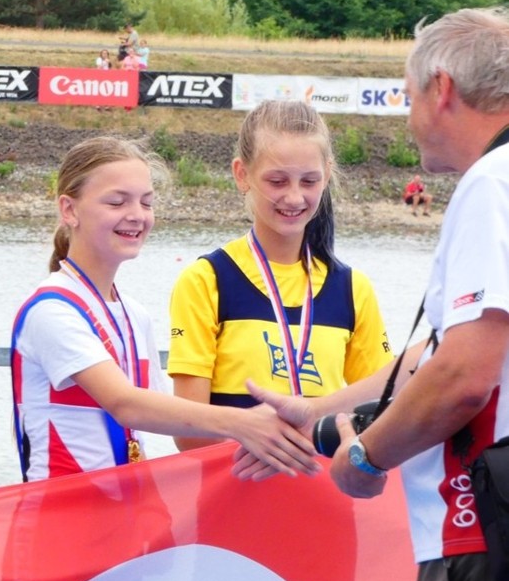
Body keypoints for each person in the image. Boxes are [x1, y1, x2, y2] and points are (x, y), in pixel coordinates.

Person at [245, 8, 509, 581]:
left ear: (442, 89)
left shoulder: (493, 182)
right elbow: (443, 351)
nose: (408, 119)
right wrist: (316, 410)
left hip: (479, 523)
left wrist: (367, 455)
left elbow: (465, 375)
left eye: (408, 97)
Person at [10, 135, 319, 482]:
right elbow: (126, 405)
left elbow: (156, 419)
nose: (136, 216)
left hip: (123, 507)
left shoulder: (134, 314)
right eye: (117, 202)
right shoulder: (51, 310)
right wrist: (245, 422)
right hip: (62, 507)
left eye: (146, 202)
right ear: (69, 210)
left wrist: (282, 441)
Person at [167, 100, 392, 452]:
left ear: (327, 175)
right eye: (277, 181)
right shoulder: (206, 281)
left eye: (309, 181)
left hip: (324, 483)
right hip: (234, 484)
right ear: (242, 174)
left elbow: (382, 409)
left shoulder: (352, 289)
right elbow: (188, 433)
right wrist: (272, 444)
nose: (294, 197)